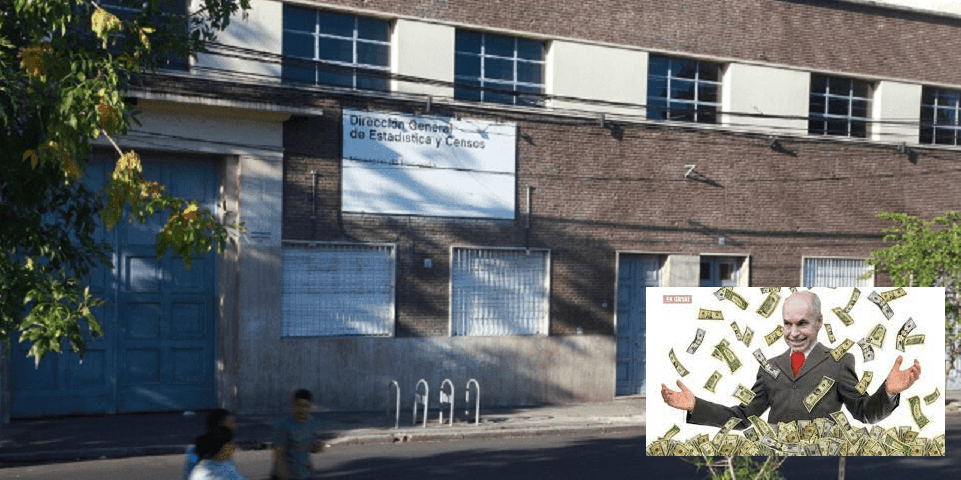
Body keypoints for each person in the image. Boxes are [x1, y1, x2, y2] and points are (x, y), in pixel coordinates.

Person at [661, 290, 922, 427]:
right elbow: (744, 417)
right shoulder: (770, 367)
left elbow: (864, 413)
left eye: (802, 323)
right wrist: (696, 405)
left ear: (819, 322)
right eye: (787, 324)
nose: (793, 333)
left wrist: (888, 392)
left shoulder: (839, 362)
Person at [271, 389, 325, 480]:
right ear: (293, 405)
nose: (302, 409)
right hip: (286, 476)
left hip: (305, 474)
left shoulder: (310, 422)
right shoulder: (283, 425)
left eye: (306, 406)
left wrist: (317, 447)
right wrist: (284, 476)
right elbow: (278, 457)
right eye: (299, 405)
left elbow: (308, 448)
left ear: (310, 407)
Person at [184, 409, 238, 480]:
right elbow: (190, 471)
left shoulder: (227, 446)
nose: (234, 425)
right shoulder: (195, 449)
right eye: (230, 422)